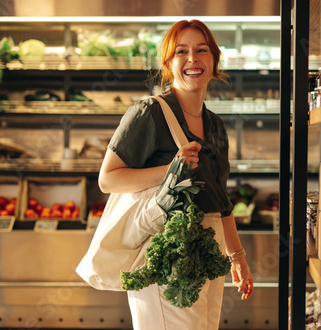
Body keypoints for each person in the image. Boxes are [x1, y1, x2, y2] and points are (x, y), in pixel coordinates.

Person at [98, 19, 253, 330]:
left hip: (207, 253)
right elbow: (108, 179)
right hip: (165, 255)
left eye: (201, 50)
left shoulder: (215, 125)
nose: (193, 59)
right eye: (182, 52)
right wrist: (171, 170)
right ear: (168, 64)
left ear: (214, 60)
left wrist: (237, 257)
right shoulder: (149, 113)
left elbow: (221, 200)